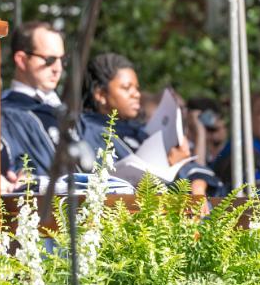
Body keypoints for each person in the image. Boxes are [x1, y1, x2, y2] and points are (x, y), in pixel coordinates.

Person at [80, 52, 219, 195]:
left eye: (137, 88)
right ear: (100, 94)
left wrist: (198, 187)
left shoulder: (139, 131)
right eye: (127, 88)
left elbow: (193, 169)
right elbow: (111, 189)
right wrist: (167, 165)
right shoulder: (86, 131)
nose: (136, 94)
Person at [0, 21, 66, 178]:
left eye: (62, 60)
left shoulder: (62, 110)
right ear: (22, 60)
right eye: (49, 60)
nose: (58, 68)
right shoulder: (5, 113)